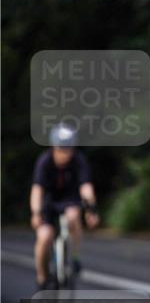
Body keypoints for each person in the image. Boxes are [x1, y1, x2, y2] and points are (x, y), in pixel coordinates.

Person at [30, 123, 100, 291]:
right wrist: (36, 212)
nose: (64, 153)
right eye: (61, 149)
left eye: (68, 149)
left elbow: (86, 187)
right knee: (44, 237)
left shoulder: (78, 160)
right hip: (48, 203)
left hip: (70, 200)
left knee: (73, 216)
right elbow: (37, 190)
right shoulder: (45, 161)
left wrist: (91, 209)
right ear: (54, 147)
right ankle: (42, 277)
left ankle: (74, 257)